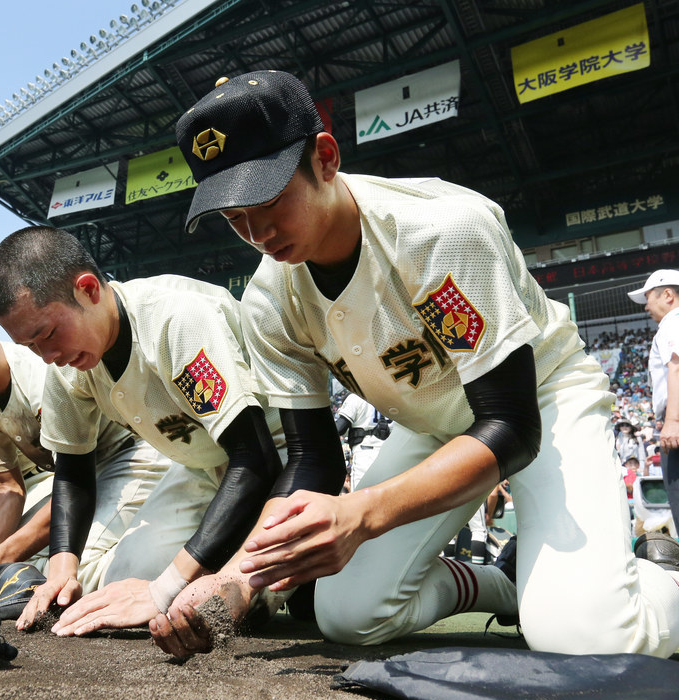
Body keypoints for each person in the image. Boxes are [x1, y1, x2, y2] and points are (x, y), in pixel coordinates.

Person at [150, 69, 679, 659]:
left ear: (325, 157)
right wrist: (239, 577)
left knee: (584, 635)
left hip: (543, 397)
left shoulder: (441, 231)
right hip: (433, 421)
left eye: (268, 200)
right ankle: (499, 585)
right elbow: (311, 459)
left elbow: (511, 425)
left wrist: (365, 512)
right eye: (233, 216)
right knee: (347, 615)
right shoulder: (269, 302)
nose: (257, 232)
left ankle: (666, 581)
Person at [0, 226, 325, 637]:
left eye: (49, 335)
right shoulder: (69, 363)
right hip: (200, 466)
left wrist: (167, 587)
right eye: (32, 347)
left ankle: (305, 569)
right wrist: (61, 567)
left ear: (88, 290)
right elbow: (73, 473)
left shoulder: (174, 318)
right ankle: (273, 568)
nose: (48, 357)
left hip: (279, 462)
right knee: (115, 586)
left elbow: (255, 458)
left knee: (188, 605)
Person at [0, 308, 169, 583]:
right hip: (78, 479)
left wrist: (1, 555)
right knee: (13, 567)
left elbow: (75, 480)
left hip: (127, 456)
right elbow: (6, 488)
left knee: (75, 574)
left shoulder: (39, 373)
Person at [629, 270, 679, 527]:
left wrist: (673, 419)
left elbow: (677, 365)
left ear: (668, 295)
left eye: (649, 297)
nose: (646, 306)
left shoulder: (673, 321)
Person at [333, 392, 392, 491]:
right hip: (391, 455)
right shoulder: (393, 397)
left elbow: (339, 428)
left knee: (360, 500)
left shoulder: (356, 396)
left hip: (365, 455)